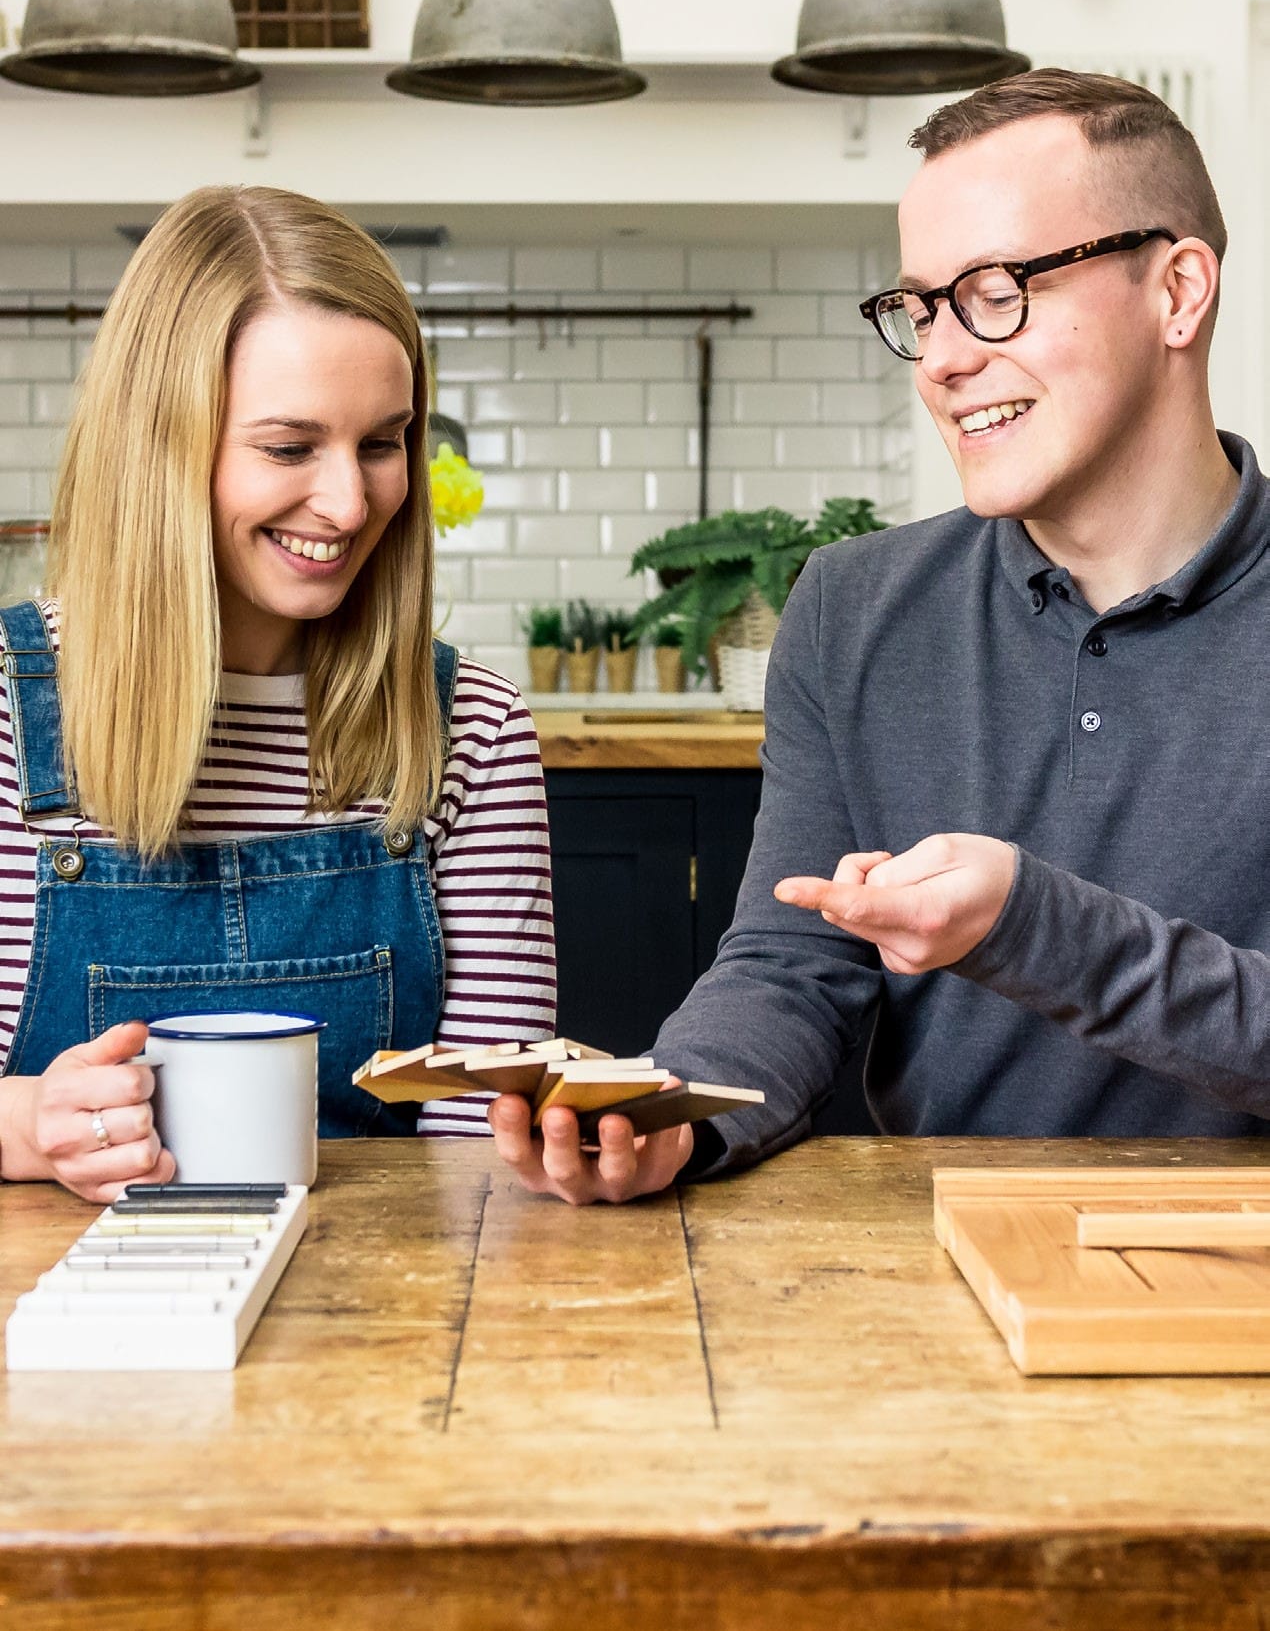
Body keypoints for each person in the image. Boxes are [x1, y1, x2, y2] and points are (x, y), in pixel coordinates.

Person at [491, 67, 1270, 1205]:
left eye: (997, 289)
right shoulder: (853, 606)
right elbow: (791, 966)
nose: (945, 358)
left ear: (1178, 292)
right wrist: (678, 1109)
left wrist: (1027, 920)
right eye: (920, 308)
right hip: (934, 1274)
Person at [0, 186, 555, 1203]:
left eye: (382, 443)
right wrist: (26, 1126)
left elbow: (484, 1139)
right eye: (290, 447)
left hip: (383, 1309)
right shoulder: (6, 720)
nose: (350, 503)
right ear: (161, 450)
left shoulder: (467, 726)